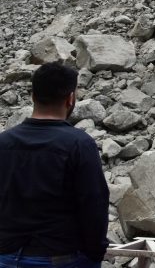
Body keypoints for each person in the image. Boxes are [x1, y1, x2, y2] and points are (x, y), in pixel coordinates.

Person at [0, 62, 109, 268]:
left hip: (6, 255)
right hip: (59, 257)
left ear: (33, 96)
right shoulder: (79, 144)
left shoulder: (3, 142)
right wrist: (95, 253)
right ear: (70, 98)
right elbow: (94, 206)